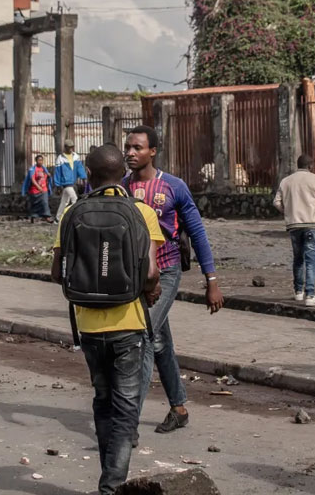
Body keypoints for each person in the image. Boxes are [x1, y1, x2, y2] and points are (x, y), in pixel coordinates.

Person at [50, 144, 163, 494]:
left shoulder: (72, 213)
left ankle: (108, 480)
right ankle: (111, 487)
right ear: (123, 174)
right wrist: (150, 290)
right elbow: (151, 273)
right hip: (129, 323)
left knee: (102, 401)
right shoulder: (141, 212)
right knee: (126, 410)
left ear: (88, 173)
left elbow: (57, 273)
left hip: (88, 326)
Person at [123, 125, 222, 436]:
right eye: (128, 147)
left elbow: (197, 233)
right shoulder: (121, 187)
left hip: (165, 271)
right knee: (159, 340)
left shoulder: (173, 187)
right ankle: (179, 408)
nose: (130, 153)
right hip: (135, 276)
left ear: (153, 151)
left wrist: (211, 280)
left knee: (142, 337)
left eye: (137, 147)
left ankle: (128, 423)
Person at [274, 154, 315, 307]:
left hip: (293, 225)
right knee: (311, 261)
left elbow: (276, 202)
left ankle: (298, 292)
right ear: (310, 166)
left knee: (298, 259)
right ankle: (310, 295)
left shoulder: (286, 181)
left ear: (297, 165)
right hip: (311, 224)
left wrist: (288, 212)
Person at [53, 142, 88, 223]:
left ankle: (57, 219)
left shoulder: (76, 156)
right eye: (69, 147)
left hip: (72, 182)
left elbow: (80, 168)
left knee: (64, 202)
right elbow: (57, 172)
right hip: (66, 183)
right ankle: (76, 218)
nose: (71, 149)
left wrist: (83, 177)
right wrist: (57, 185)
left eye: (72, 147)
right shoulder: (60, 158)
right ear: (65, 147)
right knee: (74, 200)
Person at [22, 155, 53, 223]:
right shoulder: (32, 169)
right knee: (35, 204)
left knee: (45, 202)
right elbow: (32, 179)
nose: (40, 162)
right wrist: (38, 187)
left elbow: (46, 176)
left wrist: (48, 175)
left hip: (44, 189)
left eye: (41, 160)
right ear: (36, 161)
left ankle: (47, 217)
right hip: (34, 190)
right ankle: (33, 216)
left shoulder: (44, 169)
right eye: (39, 160)